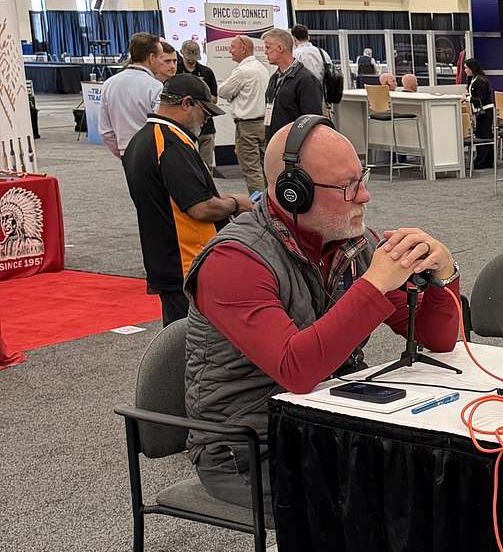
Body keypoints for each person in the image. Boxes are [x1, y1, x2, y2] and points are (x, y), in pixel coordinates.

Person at [183, 116, 461, 510]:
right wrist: (374, 285)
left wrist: (444, 272)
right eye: (348, 187)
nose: (364, 196)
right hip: (249, 448)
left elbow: (437, 339)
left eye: (362, 179)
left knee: (448, 470)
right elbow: (296, 370)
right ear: (294, 193)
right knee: (396, 499)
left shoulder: (352, 244)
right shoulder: (233, 261)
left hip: (329, 421)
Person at [122, 73, 254, 325]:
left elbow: (179, 197)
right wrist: (236, 203)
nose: (205, 121)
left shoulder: (141, 139)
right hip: (187, 265)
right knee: (198, 340)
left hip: (168, 260)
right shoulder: (171, 143)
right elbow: (200, 208)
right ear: (186, 103)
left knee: (181, 337)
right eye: (205, 113)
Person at [218, 34, 270, 193]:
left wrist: (233, 96)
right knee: (265, 168)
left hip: (247, 127)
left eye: (233, 47)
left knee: (251, 170)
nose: (230, 50)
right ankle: (270, 202)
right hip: (263, 124)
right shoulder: (262, 68)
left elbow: (222, 91)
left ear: (243, 48)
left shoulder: (242, 71)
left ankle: (258, 204)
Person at [97, 32, 163, 157]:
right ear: (151, 57)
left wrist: (124, 154)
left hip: (125, 152)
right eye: (161, 57)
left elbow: (105, 131)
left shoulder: (109, 84)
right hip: (151, 153)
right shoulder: (155, 87)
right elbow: (161, 127)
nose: (162, 62)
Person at [262, 27, 323, 135]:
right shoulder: (274, 78)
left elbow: (311, 121)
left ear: (280, 48)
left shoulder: (306, 80)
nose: (265, 52)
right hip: (275, 139)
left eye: (268, 47)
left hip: (293, 142)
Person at [179, 39, 219, 170]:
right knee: (183, 165)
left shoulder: (207, 72)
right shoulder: (175, 71)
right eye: (188, 58)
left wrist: (199, 95)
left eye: (194, 58)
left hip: (205, 124)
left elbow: (214, 99)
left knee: (206, 166)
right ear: (181, 53)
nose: (191, 61)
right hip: (182, 124)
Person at [460, 57, 494, 168]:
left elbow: (481, 98)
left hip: (485, 111)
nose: (465, 70)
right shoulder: (473, 80)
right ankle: (484, 160)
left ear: (472, 68)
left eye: (466, 68)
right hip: (480, 111)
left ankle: (483, 161)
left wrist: (468, 98)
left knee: (484, 136)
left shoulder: (480, 81)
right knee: (481, 134)